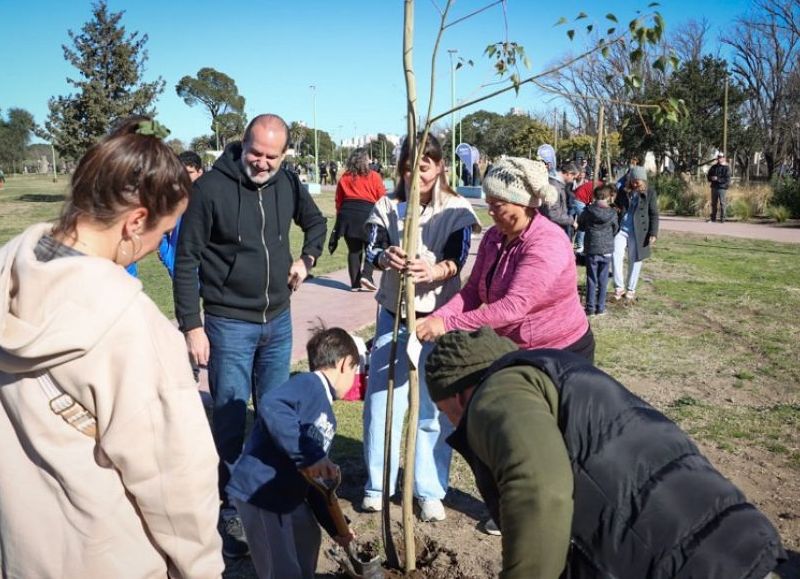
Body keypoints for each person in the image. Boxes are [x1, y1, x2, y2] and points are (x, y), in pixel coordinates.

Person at [0, 117, 223, 578]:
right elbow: (177, 485)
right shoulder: (132, 328)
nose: (159, 244)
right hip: (110, 558)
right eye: (164, 231)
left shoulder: (8, 271)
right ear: (135, 221)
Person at [424, 327, 787, 579]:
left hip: (684, 564)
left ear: (459, 394)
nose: (451, 423)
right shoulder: (559, 374)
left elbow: (539, 492)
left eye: (445, 412)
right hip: (732, 540)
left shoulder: (496, 393)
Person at [174, 113, 327, 557]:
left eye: (272, 157)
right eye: (256, 153)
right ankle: (227, 507)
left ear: (284, 156)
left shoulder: (288, 182)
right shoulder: (209, 190)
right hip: (228, 324)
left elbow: (315, 225)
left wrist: (307, 261)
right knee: (229, 417)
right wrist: (192, 325)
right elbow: (186, 261)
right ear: (242, 145)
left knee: (274, 414)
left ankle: (270, 493)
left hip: (278, 321)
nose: (262, 163)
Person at [361, 133, 480, 521]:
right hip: (393, 315)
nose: (417, 174)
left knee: (433, 407)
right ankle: (378, 485)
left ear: (441, 165)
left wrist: (435, 271)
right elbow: (372, 248)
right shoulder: (387, 205)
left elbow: (457, 258)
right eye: (409, 167)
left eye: (425, 166)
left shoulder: (456, 209)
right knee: (383, 403)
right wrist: (385, 258)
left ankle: (428, 489)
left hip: (436, 319)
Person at [417, 156, 593, 361]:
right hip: (515, 347)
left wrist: (447, 325)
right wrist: (439, 316)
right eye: (488, 203)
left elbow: (513, 307)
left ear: (524, 204)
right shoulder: (493, 236)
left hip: (560, 351)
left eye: (498, 204)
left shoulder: (547, 242)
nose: (490, 211)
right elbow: (472, 291)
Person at [227, 327, 358, 579]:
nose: (354, 378)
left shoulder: (326, 414)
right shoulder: (309, 384)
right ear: (343, 364)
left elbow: (315, 481)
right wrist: (311, 455)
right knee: (281, 567)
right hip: (261, 493)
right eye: (355, 369)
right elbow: (272, 404)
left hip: (289, 496)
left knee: (307, 535)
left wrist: (337, 528)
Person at [333, 148, 386, 291]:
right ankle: (367, 275)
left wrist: (340, 218)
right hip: (367, 213)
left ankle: (355, 284)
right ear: (365, 160)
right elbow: (382, 197)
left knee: (354, 250)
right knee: (372, 246)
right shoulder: (374, 176)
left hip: (348, 215)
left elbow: (339, 200)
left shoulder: (345, 177)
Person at [612, 165, 659, 302]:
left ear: (643, 180)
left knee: (635, 259)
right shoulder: (623, 190)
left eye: (638, 180)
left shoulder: (650, 193)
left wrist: (653, 232)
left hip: (639, 231)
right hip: (621, 229)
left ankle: (631, 289)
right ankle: (619, 287)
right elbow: (617, 206)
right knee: (615, 256)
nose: (635, 183)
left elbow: (654, 213)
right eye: (633, 179)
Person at [158, 150, 203, 279]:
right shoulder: (172, 199)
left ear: (200, 172)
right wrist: (167, 256)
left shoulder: (209, 198)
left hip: (205, 271)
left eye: (189, 173)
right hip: (178, 268)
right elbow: (162, 230)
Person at [578, 184, 619, 316]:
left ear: (595, 196)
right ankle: (600, 307)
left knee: (591, 278)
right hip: (606, 248)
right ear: (608, 197)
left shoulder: (588, 211)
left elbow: (581, 225)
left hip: (591, 248)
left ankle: (590, 307)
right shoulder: (612, 213)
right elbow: (615, 229)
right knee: (603, 279)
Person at [536, 145, 573, 236]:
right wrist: (570, 220)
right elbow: (552, 213)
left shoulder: (552, 181)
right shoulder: (553, 184)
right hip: (549, 228)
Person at [708, 153, 730, 223]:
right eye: (718, 157)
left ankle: (722, 219)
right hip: (714, 187)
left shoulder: (726, 168)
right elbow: (708, 176)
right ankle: (713, 218)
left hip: (722, 188)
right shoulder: (713, 167)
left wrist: (718, 179)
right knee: (714, 203)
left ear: (723, 158)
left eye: (721, 157)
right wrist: (711, 178)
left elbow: (727, 179)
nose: (719, 158)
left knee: (722, 203)